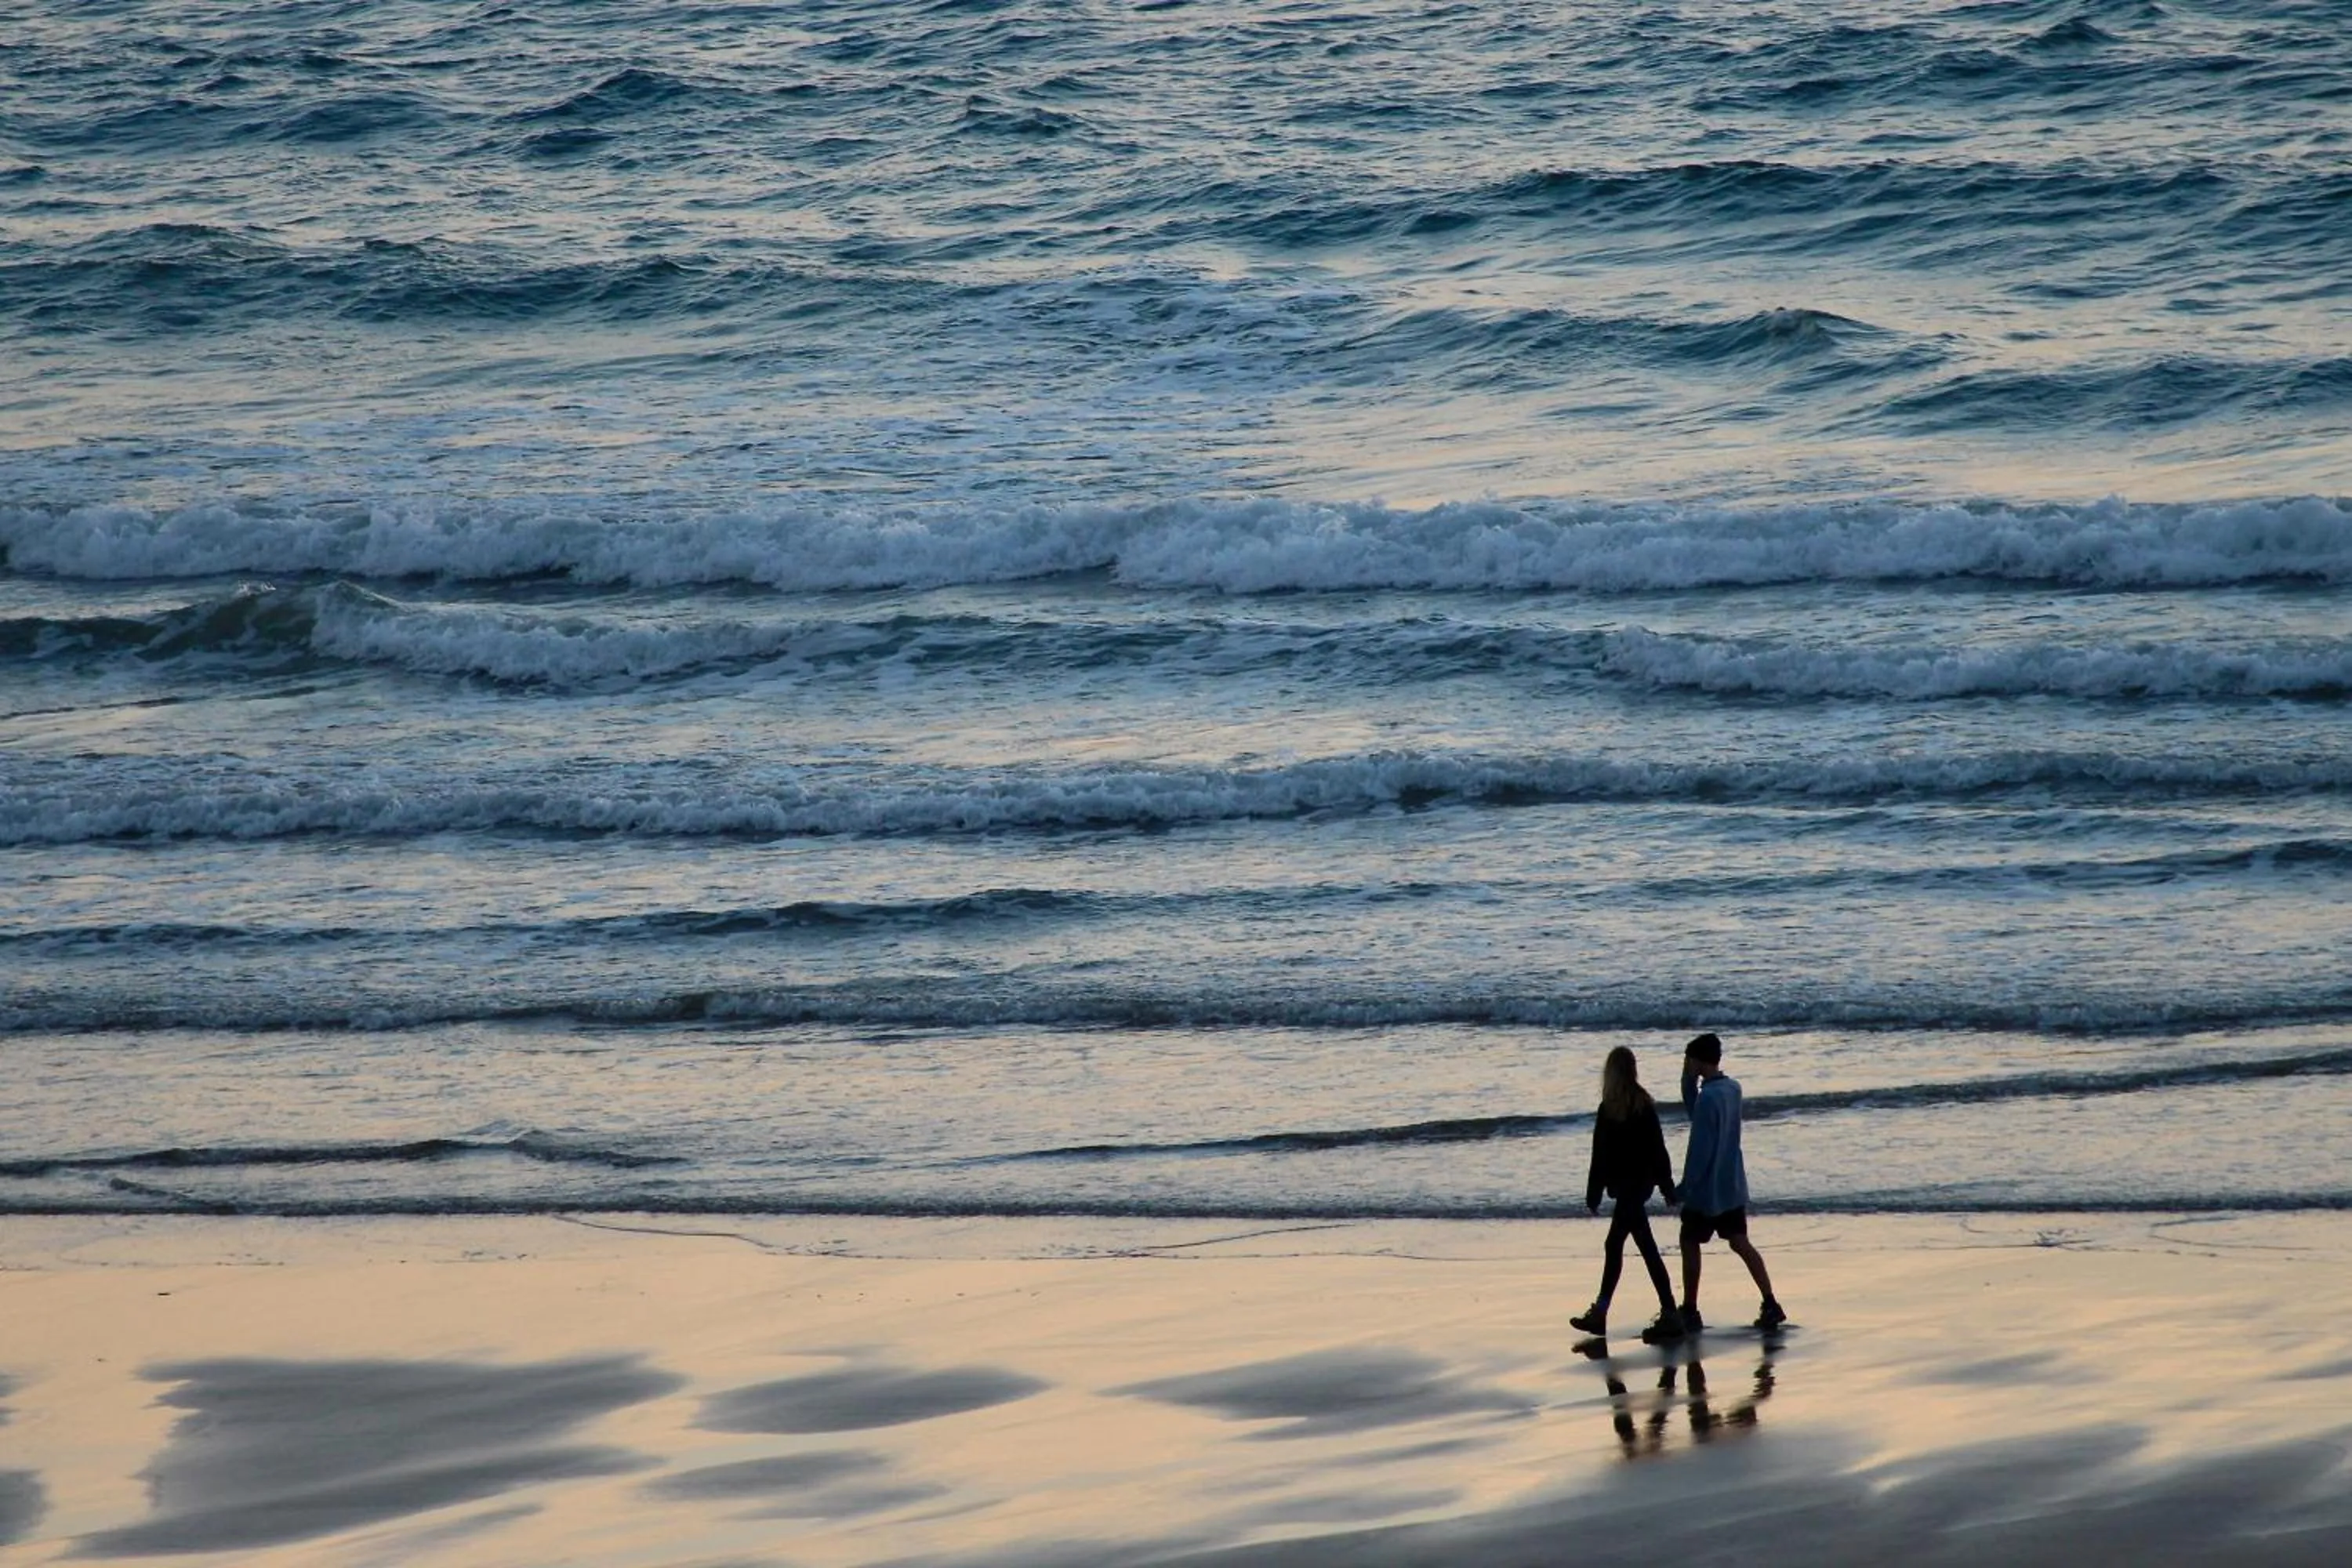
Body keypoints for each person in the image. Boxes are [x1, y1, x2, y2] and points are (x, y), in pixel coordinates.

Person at [1569, 1046, 1686, 1344]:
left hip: (1628, 1189)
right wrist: (1666, 1186)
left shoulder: (1612, 1107)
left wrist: (1594, 1193)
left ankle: (1654, 1312)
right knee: (1634, 1246)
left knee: (1628, 1247)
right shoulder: (1642, 1105)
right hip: (1637, 1187)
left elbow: (1600, 1155)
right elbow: (1658, 1150)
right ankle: (1657, 1311)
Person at [1677, 1032, 1786, 1332]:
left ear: (1698, 1061)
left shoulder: (1708, 1098)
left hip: (1706, 1190)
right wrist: (1688, 1083)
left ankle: (1690, 1308)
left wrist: (1684, 1187)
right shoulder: (1732, 1089)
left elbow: (1700, 1149)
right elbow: (1698, 1115)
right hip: (1731, 1183)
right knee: (1740, 1241)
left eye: (1689, 1060)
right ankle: (1770, 1301)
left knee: (1689, 1241)